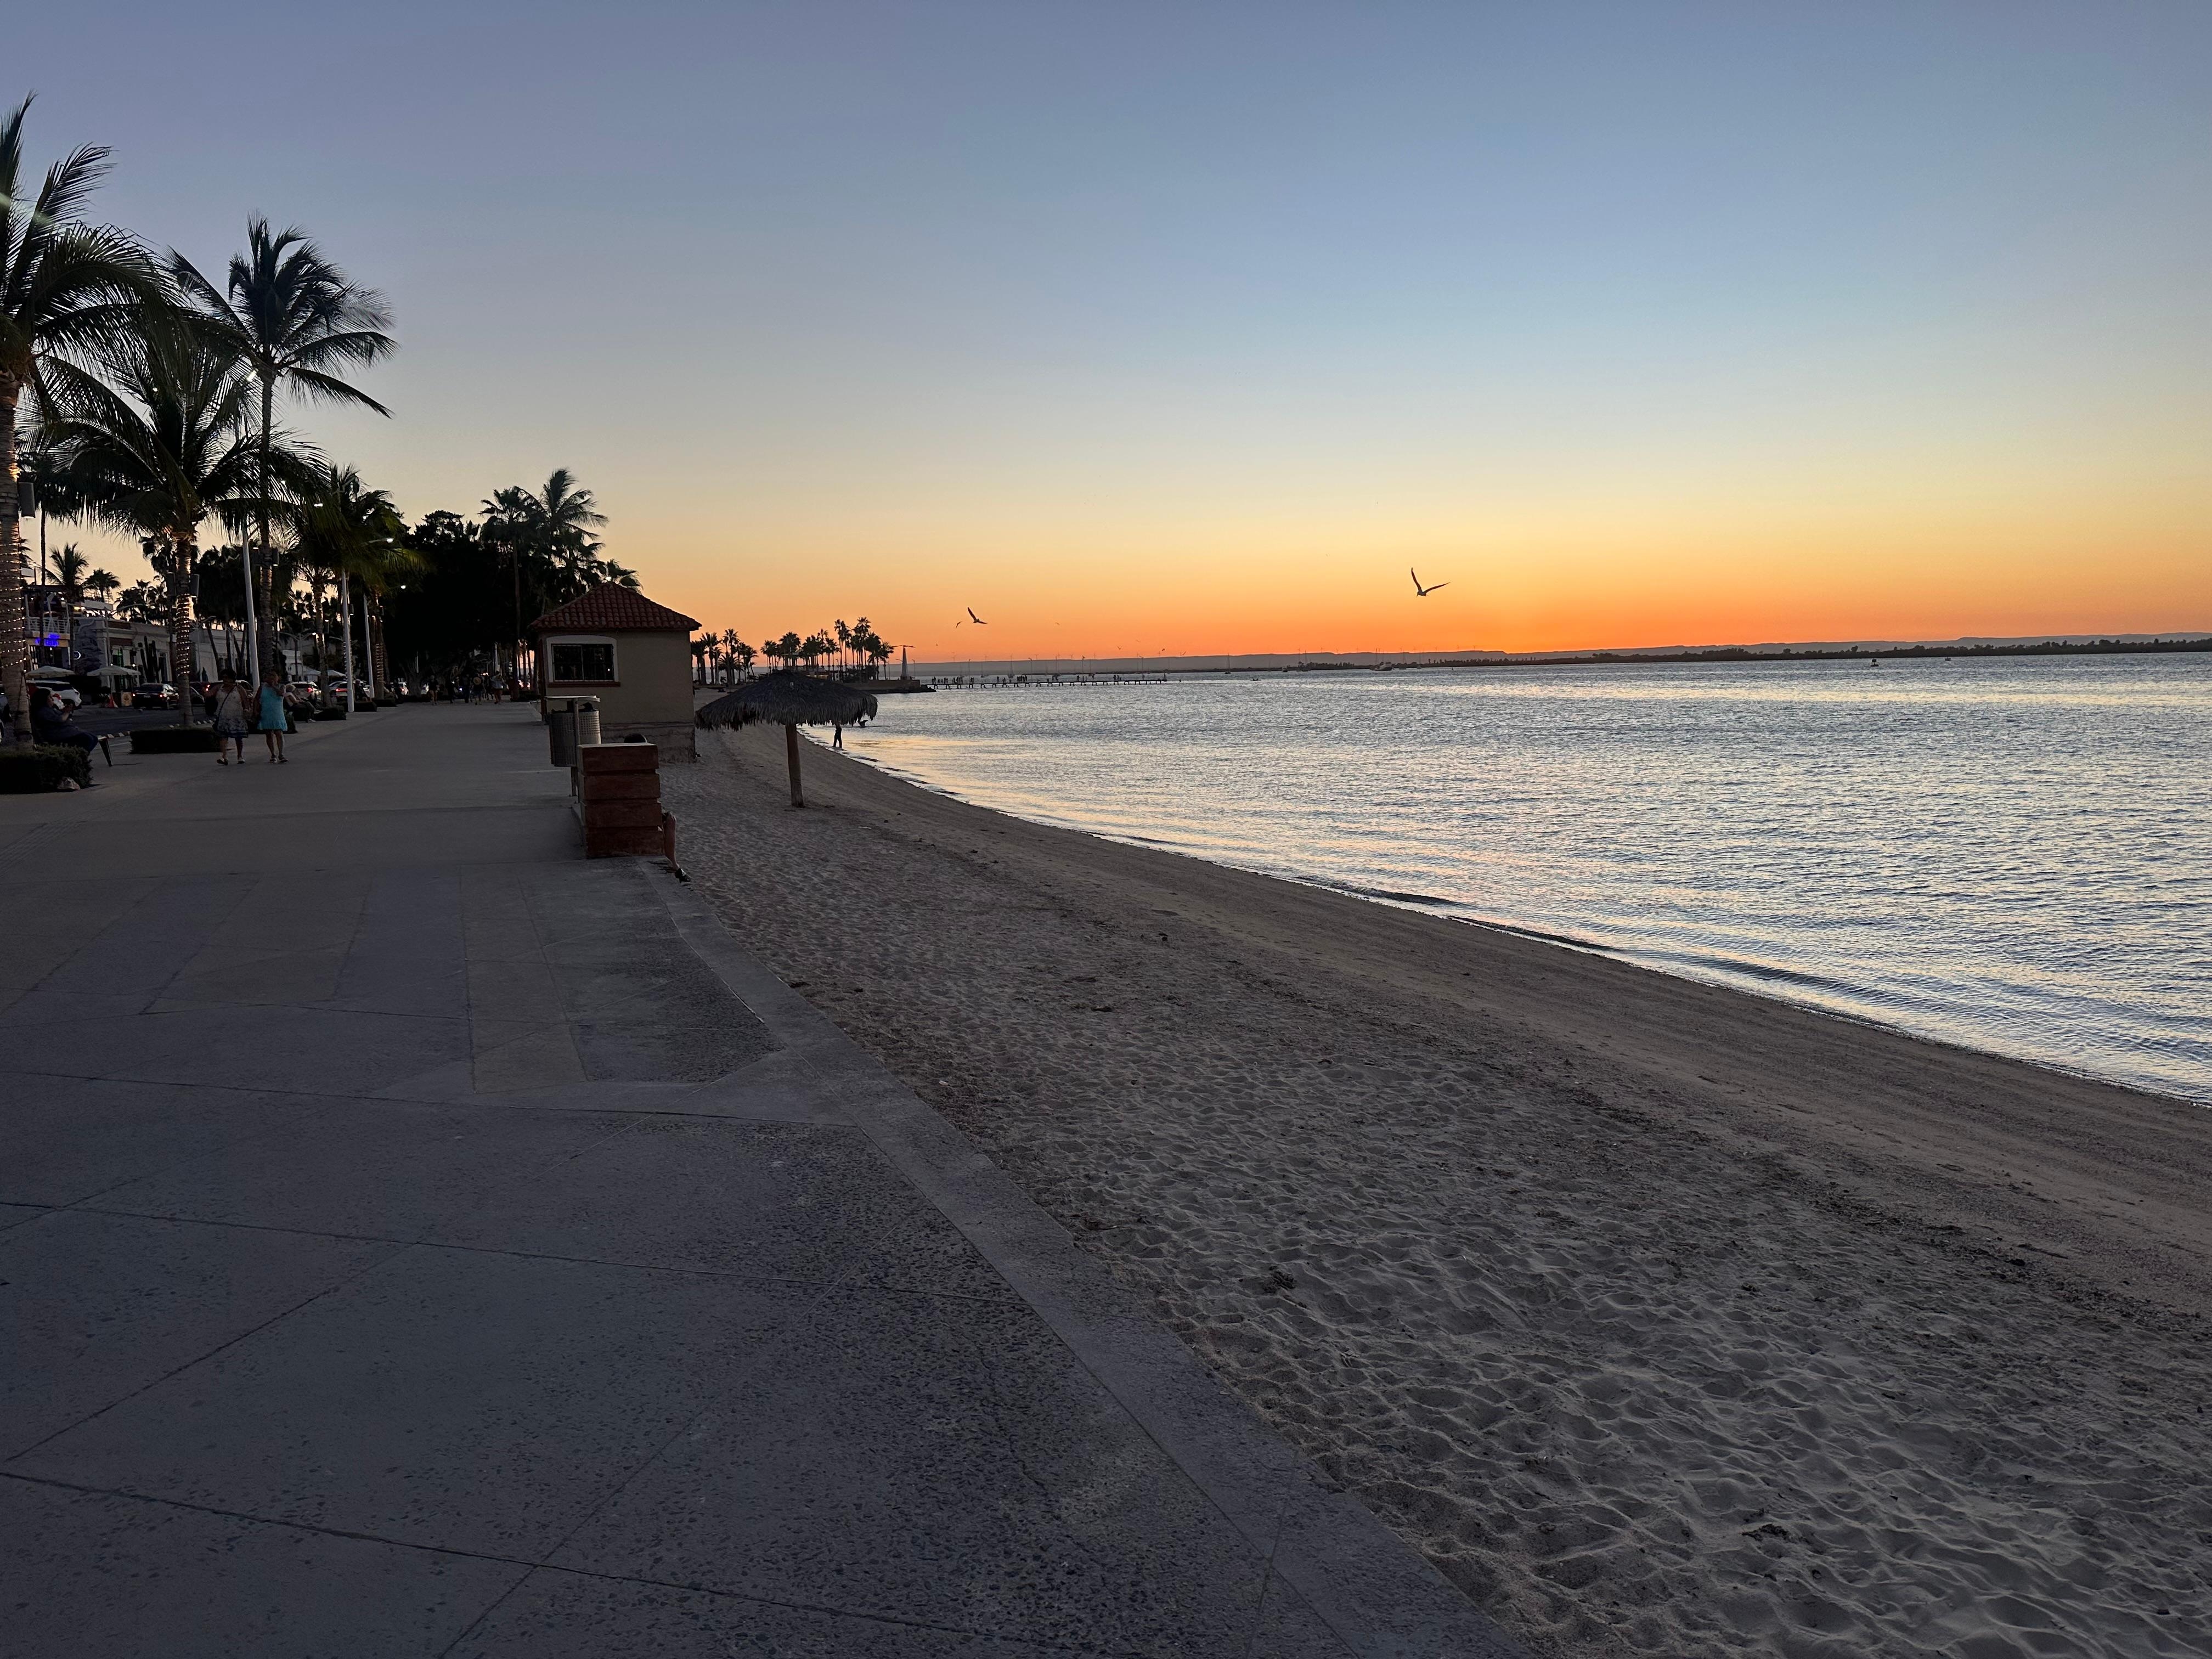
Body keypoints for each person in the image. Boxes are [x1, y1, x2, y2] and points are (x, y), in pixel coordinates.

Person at [29, 687, 100, 783]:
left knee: (93, 738)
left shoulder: (51, 709)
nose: (52, 700)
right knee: (87, 739)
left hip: (66, 731)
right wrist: (67, 712)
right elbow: (60, 719)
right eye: (50, 698)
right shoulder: (42, 711)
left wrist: (66, 712)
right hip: (58, 735)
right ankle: (79, 759)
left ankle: (81, 759)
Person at [211, 674, 250, 766]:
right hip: (223, 716)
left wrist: (247, 709)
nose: (225, 680)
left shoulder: (239, 689)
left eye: (227, 678)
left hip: (237, 716)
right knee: (223, 737)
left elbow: (245, 699)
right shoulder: (219, 688)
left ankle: (240, 756)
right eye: (224, 678)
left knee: (238, 737)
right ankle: (225, 757)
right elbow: (210, 694)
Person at [257, 672, 291, 764]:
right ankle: (273, 754)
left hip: (277, 713)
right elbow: (257, 699)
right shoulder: (263, 687)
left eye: (273, 676)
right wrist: (255, 711)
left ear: (278, 678)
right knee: (269, 734)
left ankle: (281, 754)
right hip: (266, 712)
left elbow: (281, 694)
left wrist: (273, 686)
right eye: (269, 676)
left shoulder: (282, 686)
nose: (271, 678)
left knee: (279, 733)